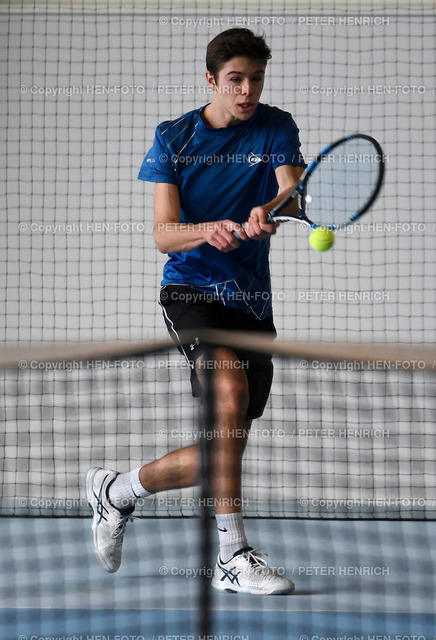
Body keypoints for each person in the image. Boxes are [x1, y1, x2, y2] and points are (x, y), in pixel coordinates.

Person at [85, 28, 305, 595]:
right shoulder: (174, 138)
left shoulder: (276, 125)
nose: (248, 89)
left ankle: (118, 491)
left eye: (256, 78)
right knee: (227, 396)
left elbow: (293, 191)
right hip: (191, 293)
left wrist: (271, 210)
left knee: (221, 450)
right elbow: (163, 234)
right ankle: (231, 555)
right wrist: (208, 231)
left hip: (251, 302)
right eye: (236, 79)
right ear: (211, 79)